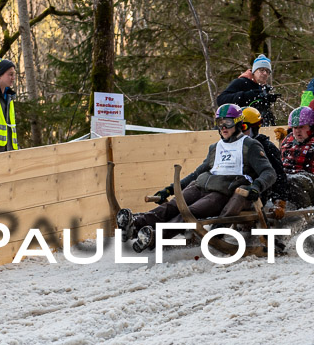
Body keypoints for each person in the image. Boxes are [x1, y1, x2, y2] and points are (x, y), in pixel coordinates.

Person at [116, 104, 277, 252]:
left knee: (189, 212)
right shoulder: (215, 147)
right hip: (200, 185)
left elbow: (269, 172)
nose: (223, 127)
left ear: (238, 123)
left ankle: (154, 236)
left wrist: (256, 186)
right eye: (219, 122)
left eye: (227, 122)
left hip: (223, 192)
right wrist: (171, 189)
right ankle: (135, 225)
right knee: (173, 205)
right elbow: (197, 173)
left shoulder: (249, 145)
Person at [216, 54, 280, 126]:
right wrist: (246, 96)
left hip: (257, 126)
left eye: (267, 71)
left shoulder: (264, 88)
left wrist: (267, 100)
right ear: (254, 71)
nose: (265, 73)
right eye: (261, 70)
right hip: (238, 127)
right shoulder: (242, 82)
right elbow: (221, 100)